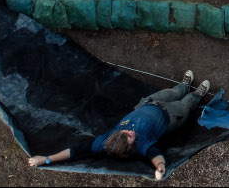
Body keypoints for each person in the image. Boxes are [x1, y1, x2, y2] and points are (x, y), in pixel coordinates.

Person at [27, 70, 210, 180]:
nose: (130, 132)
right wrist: (160, 169)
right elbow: (157, 157)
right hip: (172, 115)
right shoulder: (143, 143)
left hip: (151, 102)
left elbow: (74, 151)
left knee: (172, 91)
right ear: (131, 147)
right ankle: (197, 95)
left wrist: (46, 159)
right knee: (187, 104)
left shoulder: (104, 142)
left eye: (125, 132)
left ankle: (184, 85)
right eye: (130, 137)